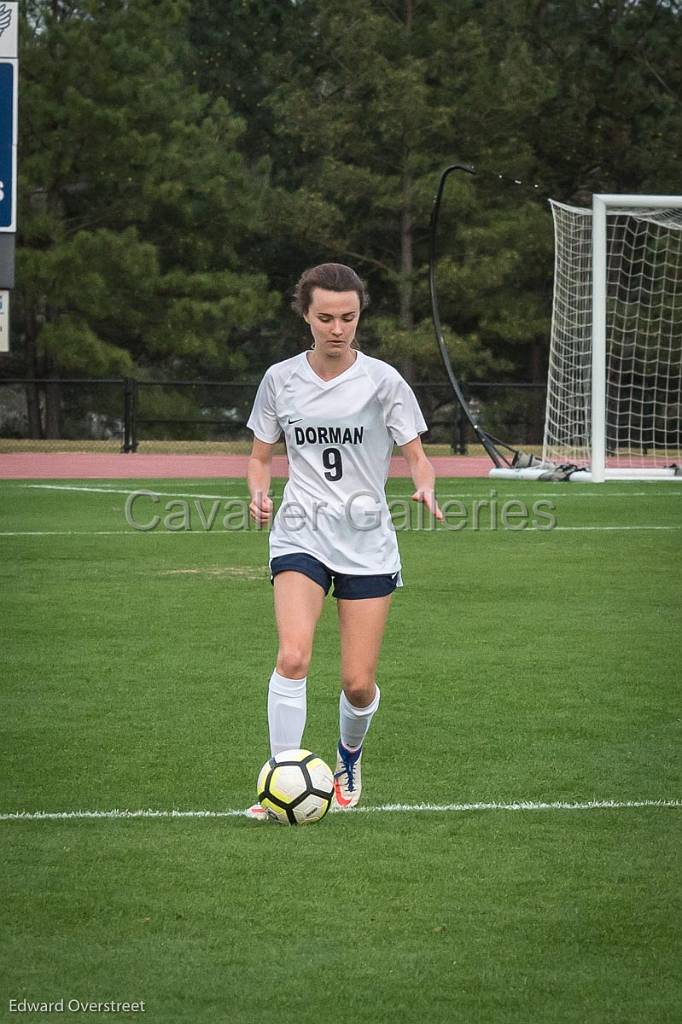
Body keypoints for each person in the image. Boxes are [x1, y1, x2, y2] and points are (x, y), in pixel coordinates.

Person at [246, 263, 442, 817]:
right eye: (326, 317)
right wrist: (260, 493)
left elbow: (418, 458)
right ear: (305, 315)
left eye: (348, 317)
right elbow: (260, 458)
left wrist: (424, 488)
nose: (338, 328)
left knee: (358, 685)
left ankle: (348, 757)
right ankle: (281, 778)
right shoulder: (279, 379)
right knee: (292, 656)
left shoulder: (383, 382)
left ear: (360, 316)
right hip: (300, 533)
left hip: (367, 541)